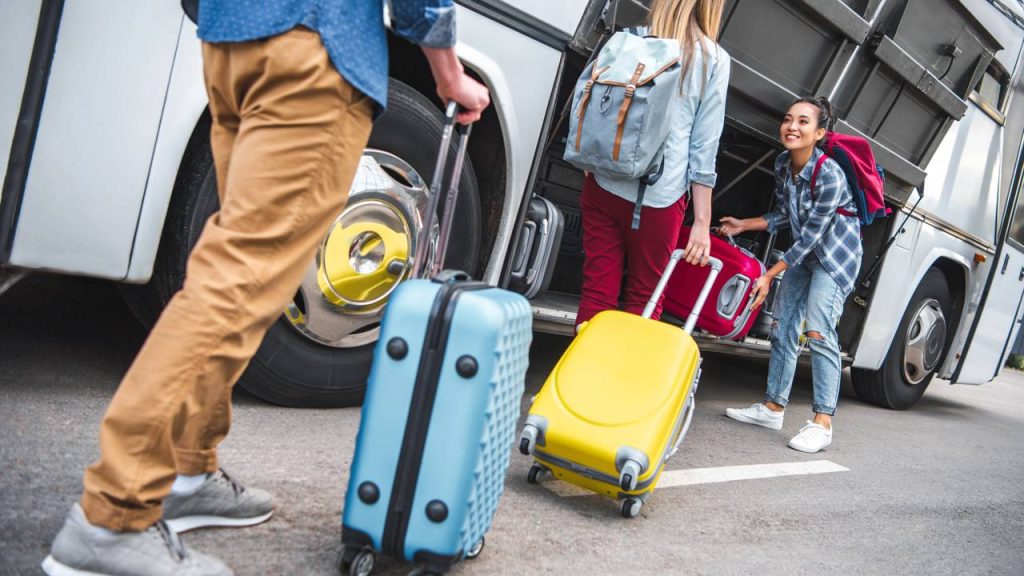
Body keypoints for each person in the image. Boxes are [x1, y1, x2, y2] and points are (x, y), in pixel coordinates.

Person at [42, 1, 489, 574]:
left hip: (232, 42)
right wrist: (449, 72)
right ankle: (115, 513)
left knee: (245, 274)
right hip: (314, 46)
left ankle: (187, 467)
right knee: (238, 282)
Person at [719, 96, 862, 453]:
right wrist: (743, 224)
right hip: (804, 257)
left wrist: (768, 275)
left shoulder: (829, 172)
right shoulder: (784, 163)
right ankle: (772, 407)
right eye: (787, 119)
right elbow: (784, 215)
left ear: (819, 133)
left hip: (835, 259)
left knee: (817, 330)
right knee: (783, 326)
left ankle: (823, 422)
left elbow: (813, 234)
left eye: (802, 122)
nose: (792, 127)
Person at [575, 0, 730, 328]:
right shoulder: (712, 58)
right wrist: (702, 222)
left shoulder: (630, 39)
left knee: (596, 294)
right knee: (644, 299)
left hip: (603, 184)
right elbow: (704, 146)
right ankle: (626, 379)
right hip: (658, 197)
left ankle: (584, 376)